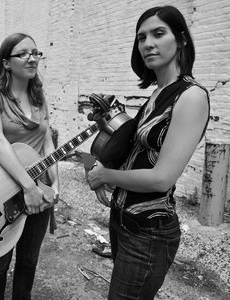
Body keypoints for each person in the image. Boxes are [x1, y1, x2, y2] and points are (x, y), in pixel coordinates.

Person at [87, 5, 210, 300]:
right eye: (141, 38)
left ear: (180, 39)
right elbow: (137, 141)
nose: (148, 44)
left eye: (158, 33)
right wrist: (105, 125)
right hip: (124, 220)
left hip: (149, 232)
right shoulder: (158, 92)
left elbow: (161, 178)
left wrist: (106, 174)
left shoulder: (191, 96)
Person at [0, 32, 59, 300]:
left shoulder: (38, 95)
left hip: (39, 186)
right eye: (23, 53)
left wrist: (54, 183)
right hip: (3, 188)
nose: (32, 58)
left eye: (35, 53)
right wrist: (28, 186)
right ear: (6, 62)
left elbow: (48, 144)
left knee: (28, 261)